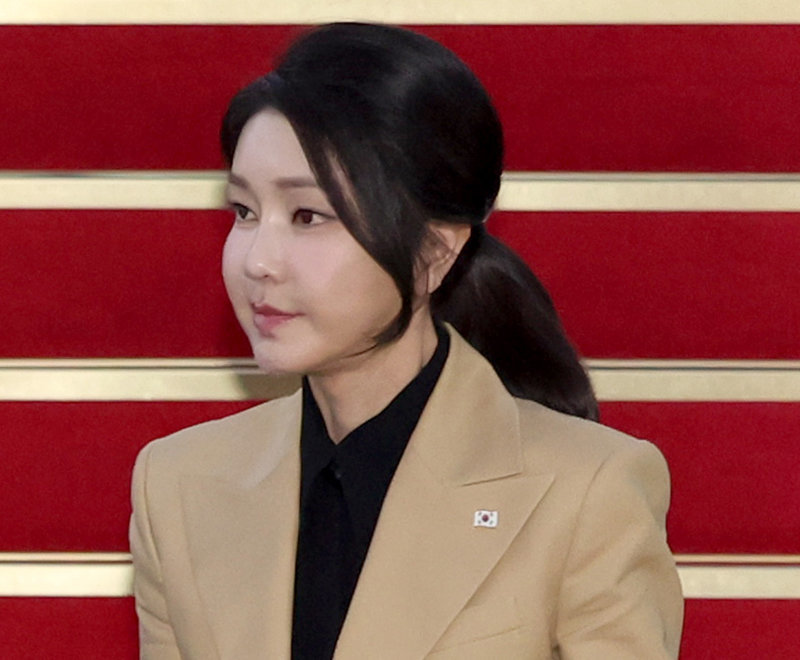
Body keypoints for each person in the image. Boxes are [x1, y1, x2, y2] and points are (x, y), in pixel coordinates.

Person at [130, 22, 683, 659]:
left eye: (308, 216)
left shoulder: (589, 490)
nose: (257, 261)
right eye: (245, 212)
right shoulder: (177, 484)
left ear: (434, 252)